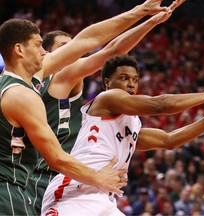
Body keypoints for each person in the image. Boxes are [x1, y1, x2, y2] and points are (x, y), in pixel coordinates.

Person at [0, 1, 170, 215]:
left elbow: (91, 41)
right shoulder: (46, 84)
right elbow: (55, 156)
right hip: (43, 179)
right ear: (20, 50)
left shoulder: (32, 78)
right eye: (39, 46)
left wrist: (143, 13)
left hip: (66, 177)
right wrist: (100, 178)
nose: (44, 52)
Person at [41, 54, 204, 216]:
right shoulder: (106, 99)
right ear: (107, 82)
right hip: (76, 191)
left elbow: (168, 140)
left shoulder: (131, 123)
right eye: (124, 78)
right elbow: (159, 105)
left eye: (135, 80)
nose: (131, 84)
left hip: (105, 198)